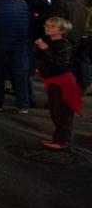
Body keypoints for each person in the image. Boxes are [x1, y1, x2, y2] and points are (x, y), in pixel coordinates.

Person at [34, 17, 83, 149]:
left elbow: (60, 63)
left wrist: (45, 49)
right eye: (47, 25)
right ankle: (58, 139)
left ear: (62, 30)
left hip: (62, 82)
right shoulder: (50, 41)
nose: (48, 28)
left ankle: (62, 141)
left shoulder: (64, 44)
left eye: (52, 26)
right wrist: (40, 48)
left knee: (62, 113)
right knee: (55, 111)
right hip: (53, 80)